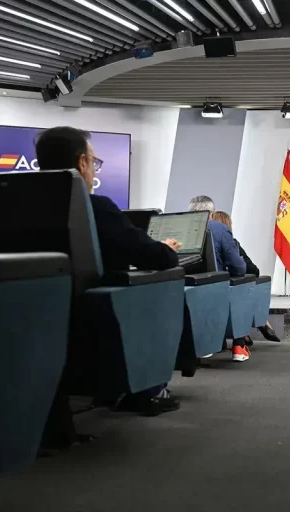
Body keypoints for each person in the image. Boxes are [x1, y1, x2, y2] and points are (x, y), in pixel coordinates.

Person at [36, 126, 182, 449]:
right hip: (89, 320)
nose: (93, 169)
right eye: (94, 161)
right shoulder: (95, 207)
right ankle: (145, 390)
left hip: (24, 315)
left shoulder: (12, 205)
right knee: (163, 287)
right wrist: (168, 249)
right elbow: (153, 256)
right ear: (81, 164)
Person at [188, 196, 250, 361]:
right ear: (211, 212)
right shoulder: (220, 229)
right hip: (214, 286)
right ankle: (238, 347)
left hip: (184, 286)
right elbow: (238, 266)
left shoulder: (179, 227)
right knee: (244, 284)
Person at [210, 210, 281, 343]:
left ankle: (253, 329)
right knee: (249, 284)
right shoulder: (232, 243)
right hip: (230, 290)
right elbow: (252, 270)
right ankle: (259, 324)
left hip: (214, 289)